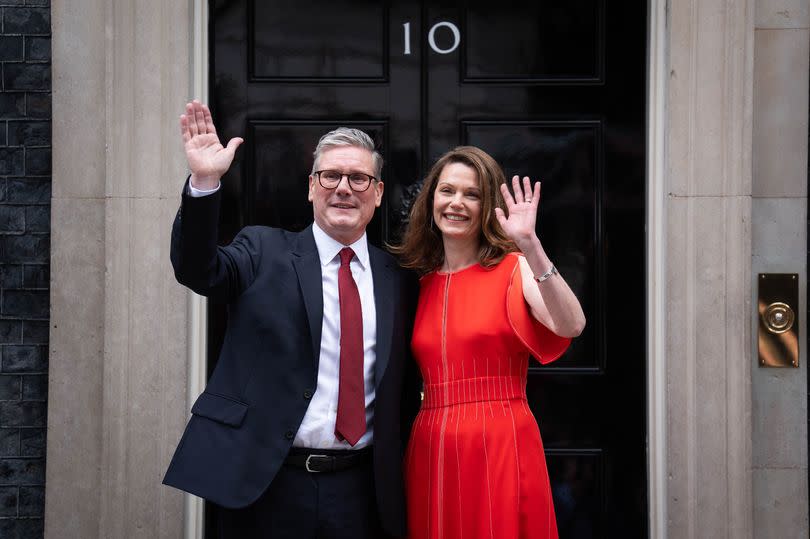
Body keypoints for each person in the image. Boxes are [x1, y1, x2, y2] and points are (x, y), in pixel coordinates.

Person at [163, 100, 419, 538]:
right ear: (310, 187)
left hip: (363, 490)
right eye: (330, 176)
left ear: (377, 192)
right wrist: (205, 183)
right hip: (265, 484)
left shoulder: (400, 278)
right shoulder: (261, 250)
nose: (344, 188)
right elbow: (197, 269)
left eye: (358, 178)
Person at [392, 146, 586, 539]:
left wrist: (530, 245)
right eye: (447, 191)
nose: (456, 203)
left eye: (472, 194)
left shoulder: (514, 268)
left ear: (488, 205)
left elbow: (571, 324)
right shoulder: (418, 283)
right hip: (432, 443)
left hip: (500, 438)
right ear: (431, 200)